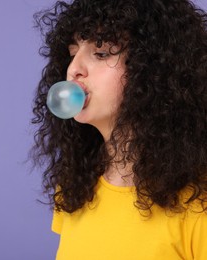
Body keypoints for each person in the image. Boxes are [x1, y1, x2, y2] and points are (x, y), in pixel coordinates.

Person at [31, 0, 207, 259]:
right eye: (72, 54)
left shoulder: (198, 204)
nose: (73, 70)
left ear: (152, 70)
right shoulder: (74, 188)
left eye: (101, 53)